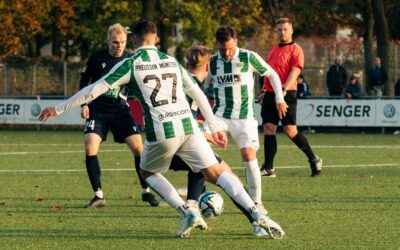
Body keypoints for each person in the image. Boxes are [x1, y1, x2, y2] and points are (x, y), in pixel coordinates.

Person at [39, 20, 282, 239]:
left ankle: (186, 211)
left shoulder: (131, 63)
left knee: (147, 172)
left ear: (134, 40)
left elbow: (93, 89)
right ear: (156, 39)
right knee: (220, 172)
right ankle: (255, 212)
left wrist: (59, 108)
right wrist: (215, 127)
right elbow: (196, 91)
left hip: (162, 132)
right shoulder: (171, 60)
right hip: (188, 128)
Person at [170, 45, 283, 237]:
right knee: (230, 179)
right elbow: (189, 121)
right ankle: (256, 218)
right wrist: (208, 135)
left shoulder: (179, 81)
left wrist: (205, 135)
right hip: (182, 144)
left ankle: (192, 206)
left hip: (164, 145)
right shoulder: (193, 87)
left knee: (190, 166)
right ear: (208, 68)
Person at [204, 26, 287, 215]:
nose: (226, 52)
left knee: (249, 157)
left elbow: (272, 74)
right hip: (219, 116)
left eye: (230, 48)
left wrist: (279, 99)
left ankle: (256, 203)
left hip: (244, 118)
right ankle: (198, 195)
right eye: (222, 49)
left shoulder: (248, 57)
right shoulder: (213, 61)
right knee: (198, 149)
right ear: (217, 45)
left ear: (236, 43)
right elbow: (203, 85)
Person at [78, 23, 158, 208]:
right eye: (115, 42)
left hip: (121, 111)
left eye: (122, 42)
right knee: (90, 147)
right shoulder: (96, 58)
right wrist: (84, 103)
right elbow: (84, 80)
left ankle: (146, 191)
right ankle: (98, 196)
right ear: (108, 40)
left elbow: (142, 88)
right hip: (97, 111)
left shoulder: (131, 59)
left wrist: (148, 111)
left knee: (139, 149)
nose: (119, 46)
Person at [259, 17, 322, 177]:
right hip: (270, 93)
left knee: (290, 130)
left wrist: (285, 88)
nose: (282, 32)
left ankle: (314, 159)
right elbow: (267, 73)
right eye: (279, 29)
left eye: (285, 29)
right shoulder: (273, 49)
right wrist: (262, 91)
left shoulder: (296, 49)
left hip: (287, 93)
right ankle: (268, 167)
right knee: (268, 128)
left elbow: (296, 70)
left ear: (291, 30)